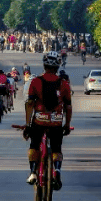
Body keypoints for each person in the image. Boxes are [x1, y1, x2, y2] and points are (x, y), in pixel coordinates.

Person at [23, 51, 72, 190]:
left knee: (34, 146)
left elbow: (30, 104)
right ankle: (56, 171)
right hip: (56, 122)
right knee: (57, 149)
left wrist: (28, 125)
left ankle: (33, 172)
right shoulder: (64, 84)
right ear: (58, 66)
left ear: (44, 65)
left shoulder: (36, 81)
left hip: (39, 121)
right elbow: (68, 106)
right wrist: (67, 125)